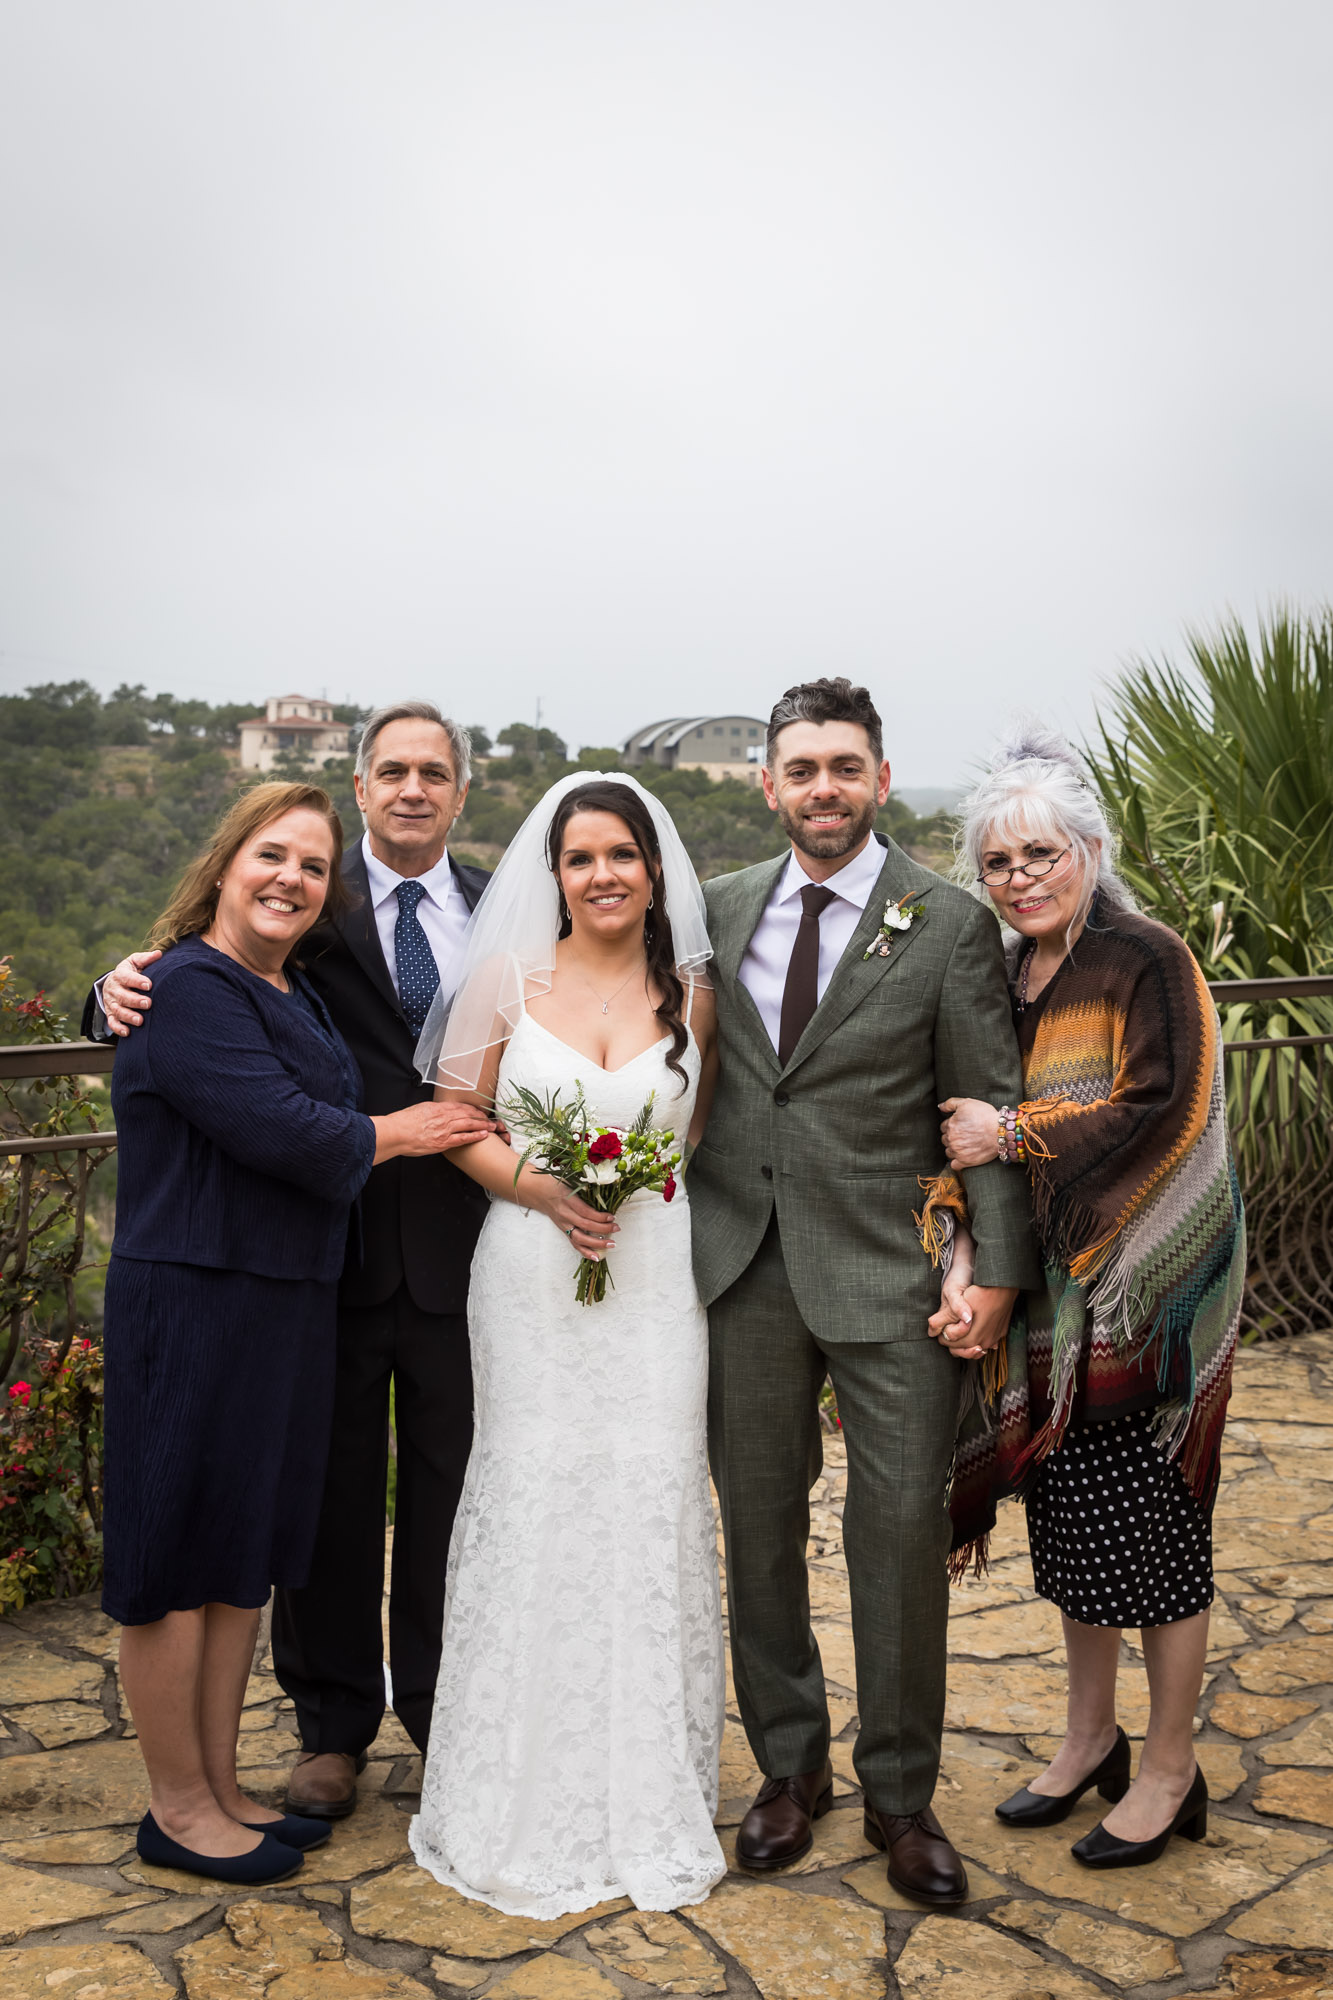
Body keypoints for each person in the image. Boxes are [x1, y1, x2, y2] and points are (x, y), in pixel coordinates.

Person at [89, 703, 494, 1820]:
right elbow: (192, 983)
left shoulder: (511, 902)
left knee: (452, 1497)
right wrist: (107, 992)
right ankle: (330, 1726)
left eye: (435, 770)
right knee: (320, 1502)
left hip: (465, 1251)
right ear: (361, 785)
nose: (413, 787)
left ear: (462, 789)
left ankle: (440, 1709)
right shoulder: (314, 897)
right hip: (328, 1250)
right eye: (392, 770)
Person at [686, 678, 1040, 1907]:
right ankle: (790, 1770)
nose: (821, 787)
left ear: (879, 779)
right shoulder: (717, 911)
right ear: (769, 784)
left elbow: (985, 1104)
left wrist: (994, 1272)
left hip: (896, 1281)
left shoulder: (944, 923)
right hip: (741, 1270)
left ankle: (899, 1792)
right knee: (760, 1534)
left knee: (894, 1538)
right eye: (800, 768)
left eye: (844, 766)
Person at [407, 774, 726, 1919]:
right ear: (555, 872)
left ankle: (648, 1785)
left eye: (622, 854)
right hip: (533, 1274)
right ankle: (510, 1788)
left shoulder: (691, 994)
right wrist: (541, 1188)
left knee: (648, 1493)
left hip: (654, 1279)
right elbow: (455, 1122)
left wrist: (630, 1187)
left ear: (654, 868)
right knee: (533, 1489)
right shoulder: (504, 979)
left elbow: (702, 1135)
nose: (602, 874)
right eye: (580, 856)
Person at [938, 725, 1244, 1869]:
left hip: (1141, 1300)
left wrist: (1010, 1128)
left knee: (1155, 1534)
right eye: (999, 861)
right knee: (1070, 1532)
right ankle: (1086, 1740)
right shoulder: (1012, 971)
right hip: (1054, 1316)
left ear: (1090, 847)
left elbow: (1162, 1105)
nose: (1019, 875)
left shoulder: (1143, 953)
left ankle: (1170, 1765)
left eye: (1039, 852)